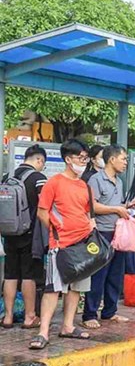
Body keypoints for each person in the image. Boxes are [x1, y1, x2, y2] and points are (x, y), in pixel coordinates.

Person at [30, 139, 94, 350]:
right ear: (68, 159)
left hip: (82, 244)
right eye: (80, 158)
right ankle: (43, 331)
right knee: (53, 288)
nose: (83, 162)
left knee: (76, 287)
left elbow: (85, 211)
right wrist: (57, 230)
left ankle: (67, 326)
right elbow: (42, 212)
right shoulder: (54, 182)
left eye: (86, 158)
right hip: (60, 245)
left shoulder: (84, 185)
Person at [83, 145, 135, 329]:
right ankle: (89, 314)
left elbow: (116, 205)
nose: (125, 163)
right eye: (123, 159)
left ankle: (110, 311)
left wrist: (126, 206)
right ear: (111, 159)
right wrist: (116, 209)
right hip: (101, 233)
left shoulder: (119, 182)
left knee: (115, 274)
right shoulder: (96, 180)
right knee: (98, 274)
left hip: (118, 233)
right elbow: (93, 206)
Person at [1, 145, 47, 330]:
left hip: (9, 232)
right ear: (39, 160)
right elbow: (45, 204)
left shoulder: (7, 177)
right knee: (29, 274)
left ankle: (8, 317)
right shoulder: (38, 178)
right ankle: (30, 317)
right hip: (31, 234)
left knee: (11, 274)